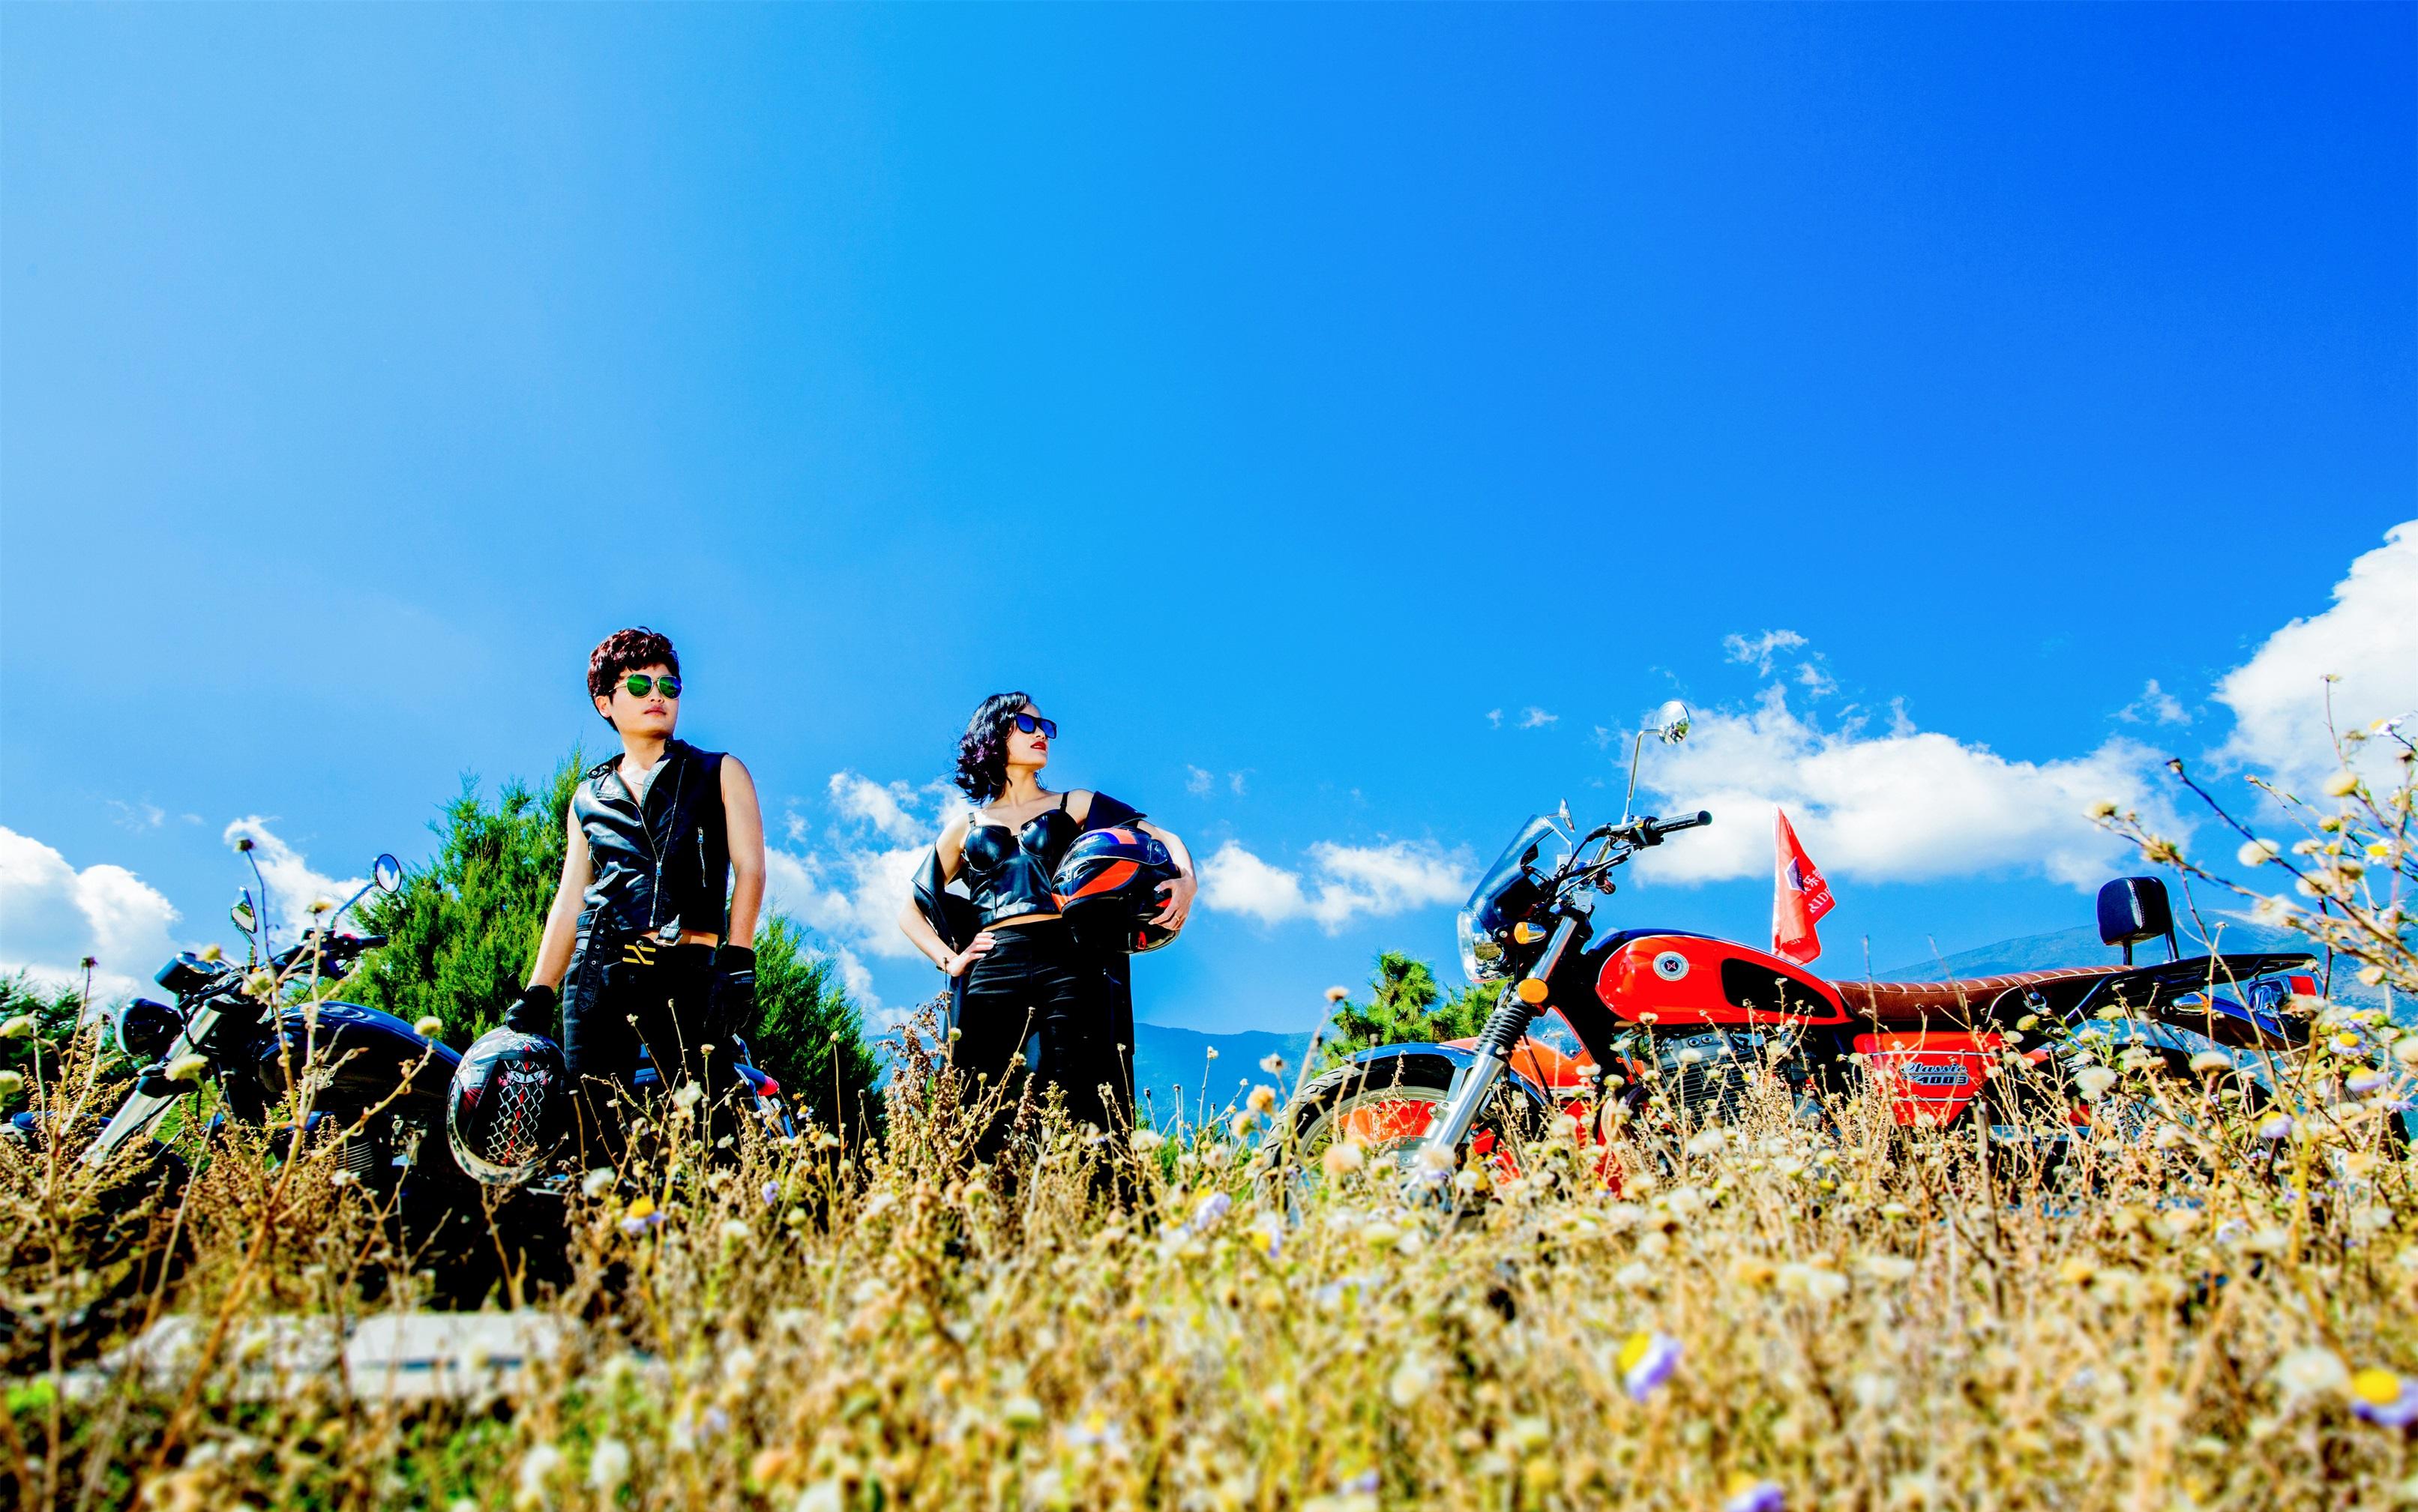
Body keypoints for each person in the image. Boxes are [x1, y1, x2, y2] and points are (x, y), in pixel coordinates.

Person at [504, 627, 767, 1158]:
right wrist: (538, 991)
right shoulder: (587, 796)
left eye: (669, 686)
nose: (658, 696)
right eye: (641, 685)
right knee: (591, 1135)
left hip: (687, 969)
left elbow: (751, 869)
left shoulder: (719, 770)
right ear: (605, 703)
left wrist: (738, 960)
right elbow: (570, 898)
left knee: (711, 1132)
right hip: (597, 973)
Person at [898, 693, 1195, 1143]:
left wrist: (1187, 881)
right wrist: (951, 960)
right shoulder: (965, 826)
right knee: (982, 1102)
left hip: (1069, 960)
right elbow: (911, 909)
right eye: (1028, 724)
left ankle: (1083, 1186)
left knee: (1082, 1097)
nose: (1043, 734)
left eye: (1047, 727)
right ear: (994, 733)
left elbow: (1161, 837)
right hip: (992, 965)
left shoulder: (1075, 804)